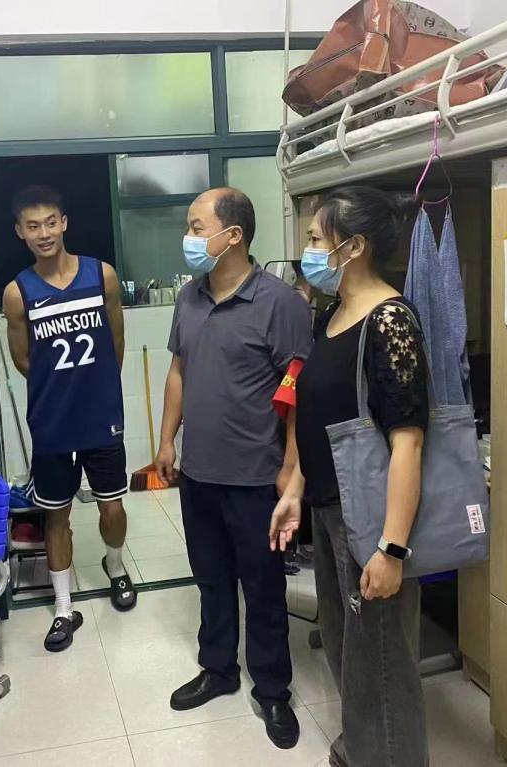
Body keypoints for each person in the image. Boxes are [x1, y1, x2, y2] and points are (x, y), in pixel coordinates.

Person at [269, 186, 429, 767]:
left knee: (381, 660)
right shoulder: (332, 314)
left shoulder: (391, 321)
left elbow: (408, 442)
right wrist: (295, 490)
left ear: (354, 246)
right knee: (348, 648)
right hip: (331, 508)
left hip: (372, 516)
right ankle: (362, 750)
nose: (308, 250)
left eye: (317, 238)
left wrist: (392, 548)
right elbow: (318, 416)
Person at [155, 187, 313, 750]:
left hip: (255, 477)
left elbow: (298, 391)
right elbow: (178, 370)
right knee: (211, 579)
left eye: (196, 227)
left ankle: (272, 689)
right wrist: (166, 441)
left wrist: (291, 470)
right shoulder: (189, 297)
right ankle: (219, 669)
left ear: (233, 235)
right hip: (199, 473)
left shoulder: (280, 304)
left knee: (263, 588)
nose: (188, 237)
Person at [2, 185, 137, 652]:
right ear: (20, 232)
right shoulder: (17, 293)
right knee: (55, 515)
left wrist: (94, 388)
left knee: (112, 508)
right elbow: (24, 359)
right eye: (32, 226)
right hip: (52, 423)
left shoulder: (102, 275)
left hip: (101, 417)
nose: (43, 233)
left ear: (64, 223)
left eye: (50, 222)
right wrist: (59, 389)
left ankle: (115, 566)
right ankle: (63, 607)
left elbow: (115, 343)